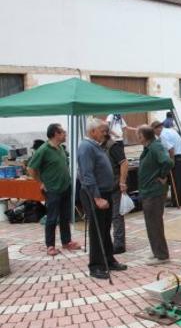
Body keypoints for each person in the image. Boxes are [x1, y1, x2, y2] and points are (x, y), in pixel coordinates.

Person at [78, 119, 127, 279]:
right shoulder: (86, 147)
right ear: (92, 132)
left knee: (105, 229)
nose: (105, 133)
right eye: (102, 130)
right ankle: (96, 266)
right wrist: (97, 198)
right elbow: (86, 174)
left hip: (105, 192)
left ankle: (108, 259)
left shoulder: (95, 146)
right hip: (95, 194)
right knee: (97, 230)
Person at [27, 123, 81, 256]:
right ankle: (50, 245)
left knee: (65, 217)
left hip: (65, 187)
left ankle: (66, 242)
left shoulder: (60, 148)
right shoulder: (43, 150)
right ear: (56, 134)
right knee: (52, 218)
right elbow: (30, 168)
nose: (65, 134)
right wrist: (41, 182)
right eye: (63, 132)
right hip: (52, 189)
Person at [137, 125, 173, 265]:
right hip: (148, 191)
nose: (137, 138)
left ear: (144, 136)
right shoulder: (149, 147)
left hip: (154, 191)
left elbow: (167, 162)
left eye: (138, 135)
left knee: (155, 223)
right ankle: (156, 251)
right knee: (151, 223)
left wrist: (162, 175)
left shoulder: (155, 147)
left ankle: (162, 255)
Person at [101, 127, 129, 254]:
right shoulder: (100, 146)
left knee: (116, 215)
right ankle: (109, 242)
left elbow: (124, 163)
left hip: (115, 185)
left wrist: (122, 182)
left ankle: (119, 244)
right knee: (109, 215)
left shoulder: (113, 146)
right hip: (106, 185)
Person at [152, 120, 181, 207]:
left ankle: (176, 202)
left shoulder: (163, 135)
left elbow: (171, 150)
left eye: (154, 132)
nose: (155, 134)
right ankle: (180, 200)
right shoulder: (170, 130)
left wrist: (171, 163)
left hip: (177, 158)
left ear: (158, 128)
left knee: (176, 182)